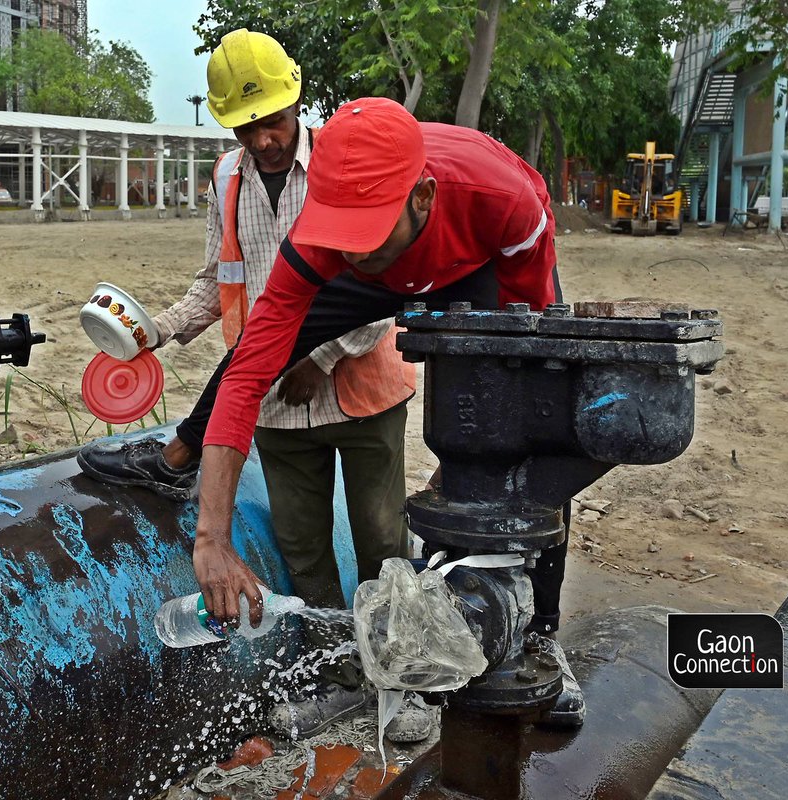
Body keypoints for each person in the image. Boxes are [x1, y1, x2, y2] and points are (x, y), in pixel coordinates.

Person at [166, 96, 579, 724]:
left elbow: (533, 348)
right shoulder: (331, 246)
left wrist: (475, 474)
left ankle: (538, 635)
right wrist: (212, 538)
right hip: (384, 275)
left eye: (367, 235)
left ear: (422, 197)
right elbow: (248, 374)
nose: (354, 252)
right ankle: (177, 450)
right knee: (257, 352)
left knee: (536, 436)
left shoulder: (503, 201)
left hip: (480, 263)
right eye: (343, 235)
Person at [77, 32, 429, 741]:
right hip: (270, 404)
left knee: (381, 542)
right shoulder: (226, 180)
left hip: (359, 389)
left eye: (273, 121)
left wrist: (318, 358)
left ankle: (406, 684)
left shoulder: (343, 166)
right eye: (246, 127)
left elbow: (386, 274)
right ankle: (342, 679)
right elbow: (219, 279)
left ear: (297, 101)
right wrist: (160, 329)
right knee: (303, 548)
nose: (263, 140)